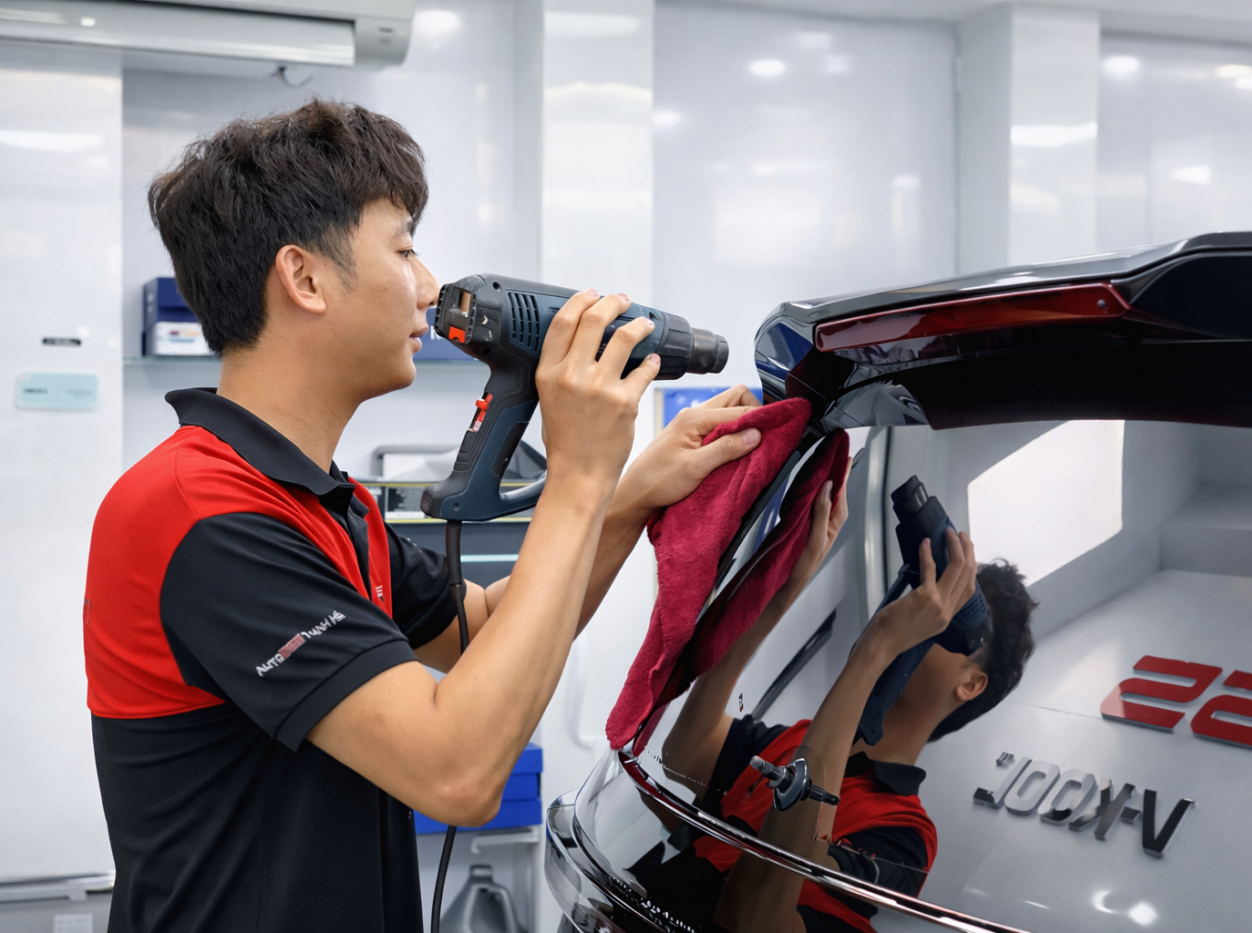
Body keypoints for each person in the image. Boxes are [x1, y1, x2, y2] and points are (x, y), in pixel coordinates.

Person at [82, 99, 763, 933]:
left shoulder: (325, 502)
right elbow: (457, 772)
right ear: (304, 278)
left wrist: (628, 496)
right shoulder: (203, 514)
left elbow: (482, 630)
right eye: (404, 248)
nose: (431, 287)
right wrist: (580, 474)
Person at [644, 483, 1037, 933]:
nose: (923, 611)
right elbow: (685, 753)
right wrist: (784, 585)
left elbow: (753, 917)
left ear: (970, 684)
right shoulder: (803, 739)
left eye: (947, 614)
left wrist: (876, 650)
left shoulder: (907, 836)